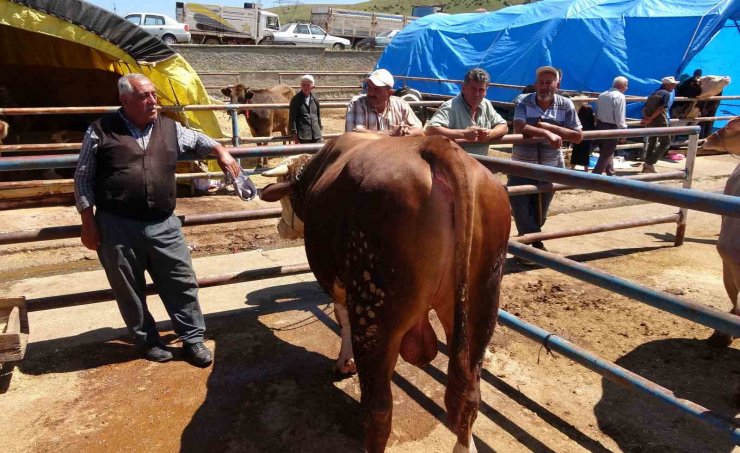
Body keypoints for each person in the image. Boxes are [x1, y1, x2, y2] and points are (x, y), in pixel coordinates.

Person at [74, 73, 241, 366]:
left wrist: (221, 152)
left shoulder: (169, 127)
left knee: (181, 281)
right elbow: (83, 179)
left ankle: (192, 340)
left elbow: (200, 140)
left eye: (153, 94)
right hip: (116, 224)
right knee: (128, 288)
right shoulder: (100, 130)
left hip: (164, 223)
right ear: (124, 100)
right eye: (144, 96)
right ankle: (147, 340)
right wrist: (88, 222)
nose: (153, 101)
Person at [509, 66, 583, 256]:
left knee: (539, 211)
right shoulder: (523, 101)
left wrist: (548, 126)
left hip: (550, 165)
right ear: (536, 84)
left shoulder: (565, 104)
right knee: (520, 203)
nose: (544, 86)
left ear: (557, 84)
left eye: (549, 82)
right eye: (541, 82)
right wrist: (545, 132)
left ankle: (528, 241)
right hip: (522, 164)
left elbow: (577, 136)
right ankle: (534, 246)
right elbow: (519, 127)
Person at [424, 68, 508, 156]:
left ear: (486, 91)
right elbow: (430, 130)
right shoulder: (451, 107)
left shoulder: (486, 104)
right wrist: (463, 134)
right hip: (456, 167)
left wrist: (490, 133)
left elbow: (503, 126)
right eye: (473, 89)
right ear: (464, 87)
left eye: (481, 90)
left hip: (480, 166)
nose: (476, 94)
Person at [345, 68, 423, 137]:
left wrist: (405, 132)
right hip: (366, 152)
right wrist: (390, 133)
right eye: (369, 88)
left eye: (377, 89)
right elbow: (354, 133)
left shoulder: (401, 104)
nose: (371, 93)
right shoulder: (358, 103)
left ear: (389, 93)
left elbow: (419, 129)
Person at [640, 76, 679, 173]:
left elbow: (644, 109)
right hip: (660, 121)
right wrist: (651, 117)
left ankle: (647, 166)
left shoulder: (653, 94)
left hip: (651, 123)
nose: (673, 86)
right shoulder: (666, 94)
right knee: (666, 143)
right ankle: (650, 162)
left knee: (652, 143)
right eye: (672, 84)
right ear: (666, 85)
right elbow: (662, 108)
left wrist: (647, 119)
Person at [593, 76, 628, 175]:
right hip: (611, 127)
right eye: (626, 86)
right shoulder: (620, 97)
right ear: (622, 86)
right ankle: (595, 177)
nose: (627, 88)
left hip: (600, 125)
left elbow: (597, 112)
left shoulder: (602, 95)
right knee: (606, 154)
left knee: (606, 152)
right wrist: (623, 132)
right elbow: (619, 117)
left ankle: (610, 171)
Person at [289, 74, 323, 144]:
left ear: (312, 86)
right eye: (304, 85)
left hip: (316, 134)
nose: (306, 87)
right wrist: (295, 135)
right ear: (301, 86)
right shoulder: (296, 99)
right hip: (303, 135)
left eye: (308, 85)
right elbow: (293, 118)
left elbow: (318, 115)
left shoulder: (315, 98)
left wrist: (319, 131)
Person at [569, 101, 595, 171]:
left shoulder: (578, 120)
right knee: (585, 154)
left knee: (575, 153)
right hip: (587, 137)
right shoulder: (590, 122)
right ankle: (586, 170)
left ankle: (572, 168)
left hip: (578, 136)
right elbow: (593, 127)